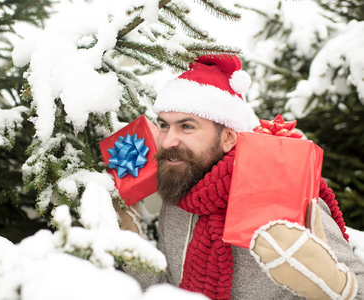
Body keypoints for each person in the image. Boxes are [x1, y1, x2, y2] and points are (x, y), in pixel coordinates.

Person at [118, 54, 364, 299]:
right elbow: (169, 291)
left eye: (187, 126)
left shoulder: (279, 193)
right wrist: (129, 235)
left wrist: (338, 287)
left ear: (228, 138)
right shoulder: (178, 194)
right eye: (164, 125)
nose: (169, 141)